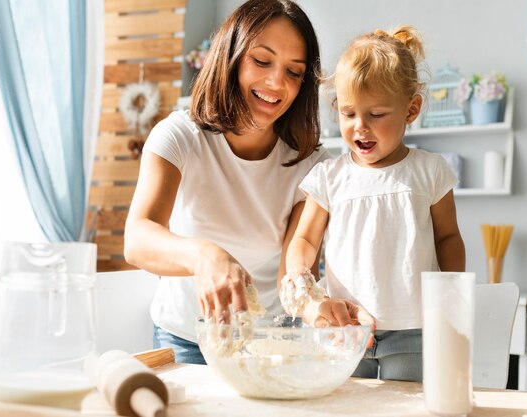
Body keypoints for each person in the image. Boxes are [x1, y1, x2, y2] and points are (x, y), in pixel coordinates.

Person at [124, 0, 370, 365]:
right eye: (262, 60)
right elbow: (138, 239)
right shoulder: (179, 136)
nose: (276, 83)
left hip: (268, 344)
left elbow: (294, 271)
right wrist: (204, 256)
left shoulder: (310, 164)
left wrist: (318, 308)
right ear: (231, 57)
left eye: (294, 71)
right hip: (185, 339)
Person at [281, 26, 466, 382]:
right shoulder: (329, 177)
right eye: (349, 114)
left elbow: (448, 238)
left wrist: (452, 292)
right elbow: (303, 241)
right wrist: (301, 277)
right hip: (345, 325)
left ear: (411, 109)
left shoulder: (430, 171)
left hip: (415, 326)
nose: (360, 127)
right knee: (348, 405)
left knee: (407, 407)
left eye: (376, 114)